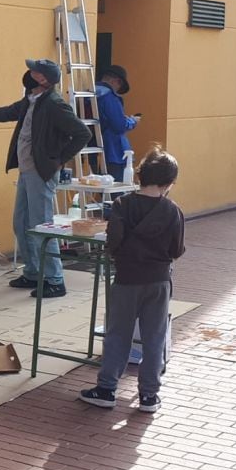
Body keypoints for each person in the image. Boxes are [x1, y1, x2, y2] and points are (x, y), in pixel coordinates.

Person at [0, 59, 90, 298]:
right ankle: (33, 272)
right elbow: (7, 112)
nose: (29, 73)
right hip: (27, 171)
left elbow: (83, 133)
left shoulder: (54, 104)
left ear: (43, 79)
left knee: (42, 226)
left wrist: (58, 160)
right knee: (21, 224)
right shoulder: (32, 101)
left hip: (41, 173)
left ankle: (55, 279)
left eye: (34, 71)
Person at [80, 146, 184, 413]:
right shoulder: (173, 211)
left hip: (127, 278)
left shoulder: (122, 205)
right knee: (154, 337)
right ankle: (149, 394)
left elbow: (114, 242)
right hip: (159, 280)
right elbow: (176, 250)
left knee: (118, 334)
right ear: (169, 183)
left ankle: (106, 389)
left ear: (140, 175)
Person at [95, 65, 140, 182]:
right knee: (117, 190)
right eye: (119, 85)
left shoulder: (89, 93)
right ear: (116, 81)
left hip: (95, 148)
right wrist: (132, 121)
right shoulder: (109, 97)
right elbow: (119, 126)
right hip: (114, 151)